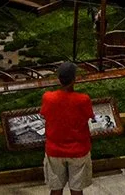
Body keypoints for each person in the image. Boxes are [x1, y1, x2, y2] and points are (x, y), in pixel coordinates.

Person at [40, 62, 93, 195]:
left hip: (54, 150)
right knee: (77, 190)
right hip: (78, 150)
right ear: (74, 79)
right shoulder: (83, 99)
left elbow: (44, 114)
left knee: (55, 189)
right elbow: (89, 116)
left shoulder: (48, 98)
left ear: (59, 79)